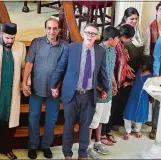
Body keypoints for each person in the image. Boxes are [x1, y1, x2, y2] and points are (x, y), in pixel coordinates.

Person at [50, 23, 109, 160]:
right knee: (69, 126)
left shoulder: (100, 51)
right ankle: (67, 154)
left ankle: (82, 155)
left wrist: (105, 88)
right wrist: (54, 85)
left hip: (89, 96)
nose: (90, 36)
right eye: (88, 32)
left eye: (93, 34)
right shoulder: (71, 48)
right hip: (72, 95)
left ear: (96, 36)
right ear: (83, 33)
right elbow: (60, 68)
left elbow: (102, 73)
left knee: (85, 128)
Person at [22, 18, 66, 159]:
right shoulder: (36, 42)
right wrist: (24, 82)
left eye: (54, 28)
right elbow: (29, 64)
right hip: (36, 88)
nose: (51, 31)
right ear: (45, 28)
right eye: (49, 28)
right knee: (33, 117)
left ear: (59, 29)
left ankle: (46, 145)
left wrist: (57, 86)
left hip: (54, 90)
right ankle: (33, 145)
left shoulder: (65, 46)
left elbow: (64, 70)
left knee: (51, 119)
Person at [0, 22, 27, 159]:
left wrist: (25, 83)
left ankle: (7, 148)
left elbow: (24, 68)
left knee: (9, 122)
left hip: (12, 92)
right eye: (7, 38)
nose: (10, 41)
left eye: (12, 38)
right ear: (1, 34)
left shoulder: (21, 47)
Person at [87, 26, 120, 159]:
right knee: (93, 120)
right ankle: (88, 146)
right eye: (117, 38)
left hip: (108, 92)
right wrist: (101, 89)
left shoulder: (112, 50)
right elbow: (92, 74)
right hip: (99, 92)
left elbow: (110, 68)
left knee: (102, 118)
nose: (118, 40)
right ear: (111, 39)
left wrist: (113, 82)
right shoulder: (97, 51)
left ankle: (98, 142)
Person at [143, 1, 161, 126]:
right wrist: (149, 64)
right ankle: (150, 118)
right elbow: (147, 48)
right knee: (154, 88)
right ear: (156, 11)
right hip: (154, 61)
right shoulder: (151, 27)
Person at [106, 24, 135, 136]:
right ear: (123, 36)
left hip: (119, 79)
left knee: (116, 104)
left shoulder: (121, 45)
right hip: (112, 80)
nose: (130, 40)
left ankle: (113, 124)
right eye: (129, 38)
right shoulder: (114, 46)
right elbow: (115, 64)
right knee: (110, 107)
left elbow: (123, 62)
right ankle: (107, 130)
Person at [123, 55, 153, 140]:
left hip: (143, 98)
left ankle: (137, 129)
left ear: (147, 65)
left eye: (142, 65)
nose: (140, 66)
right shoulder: (139, 71)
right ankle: (127, 130)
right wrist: (128, 84)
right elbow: (136, 82)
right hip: (133, 96)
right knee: (128, 112)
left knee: (140, 114)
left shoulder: (150, 76)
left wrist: (151, 97)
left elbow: (151, 88)